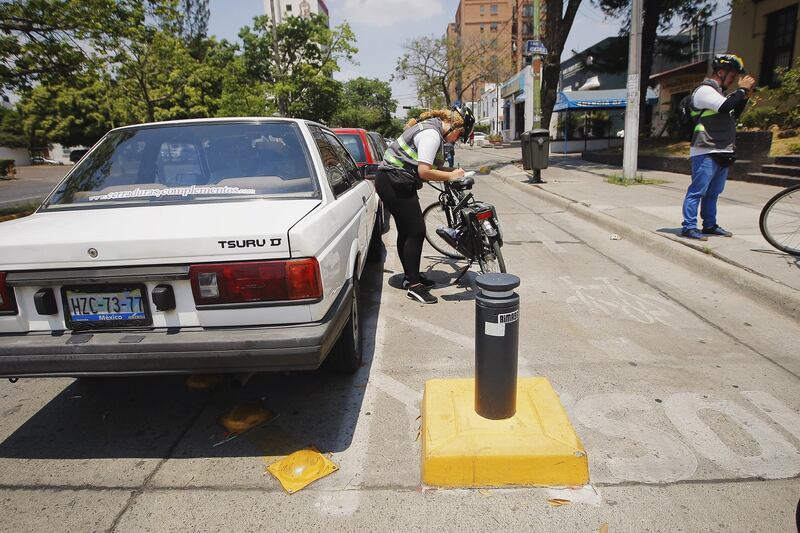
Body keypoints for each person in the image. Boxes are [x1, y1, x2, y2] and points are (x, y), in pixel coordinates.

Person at [375, 106, 475, 304]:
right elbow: (424, 171)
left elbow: (433, 167)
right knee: (416, 231)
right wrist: (450, 175)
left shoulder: (432, 130)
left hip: (394, 181)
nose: (456, 140)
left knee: (407, 232)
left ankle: (410, 277)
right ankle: (414, 287)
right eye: (459, 136)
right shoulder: (432, 134)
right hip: (394, 182)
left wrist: (455, 171)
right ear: (455, 128)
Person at [681, 54, 756, 240]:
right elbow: (724, 107)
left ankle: (709, 225)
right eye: (732, 75)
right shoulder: (705, 91)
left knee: (713, 193)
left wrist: (744, 95)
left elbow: (733, 112)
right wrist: (740, 91)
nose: (733, 80)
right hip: (705, 150)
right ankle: (689, 227)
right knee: (697, 191)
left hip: (722, 149)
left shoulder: (720, 93)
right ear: (720, 72)